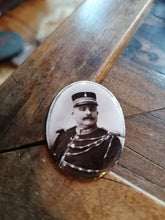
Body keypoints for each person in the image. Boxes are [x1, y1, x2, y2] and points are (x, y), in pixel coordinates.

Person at [51, 92, 123, 179]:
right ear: (73, 114)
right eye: (82, 109)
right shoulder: (64, 135)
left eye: (92, 109)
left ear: (97, 113)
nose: (88, 112)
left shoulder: (110, 141)